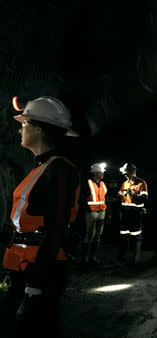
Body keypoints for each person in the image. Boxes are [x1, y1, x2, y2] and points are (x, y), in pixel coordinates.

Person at [2, 96, 81, 337]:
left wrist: (34, 288)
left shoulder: (59, 170)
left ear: (39, 128)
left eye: (24, 123)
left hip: (39, 269)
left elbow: (55, 228)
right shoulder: (42, 168)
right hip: (24, 264)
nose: (20, 128)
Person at [117, 163, 148, 264]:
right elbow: (119, 194)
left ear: (133, 172)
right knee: (123, 235)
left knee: (136, 235)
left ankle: (135, 259)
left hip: (135, 214)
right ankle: (122, 258)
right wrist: (121, 194)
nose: (125, 175)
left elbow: (144, 198)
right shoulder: (125, 183)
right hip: (125, 213)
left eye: (127, 173)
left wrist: (133, 194)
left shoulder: (142, 183)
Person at [81, 162, 108, 264]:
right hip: (91, 213)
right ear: (96, 173)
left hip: (101, 212)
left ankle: (92, 256)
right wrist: (88, 209)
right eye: (101, 172)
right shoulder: (87, 183)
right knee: (89, 236)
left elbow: (105, 199)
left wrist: (106, 212)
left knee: (97, 236)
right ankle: (85, 258)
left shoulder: (103, 184)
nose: (103, 174)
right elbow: (82, 198)